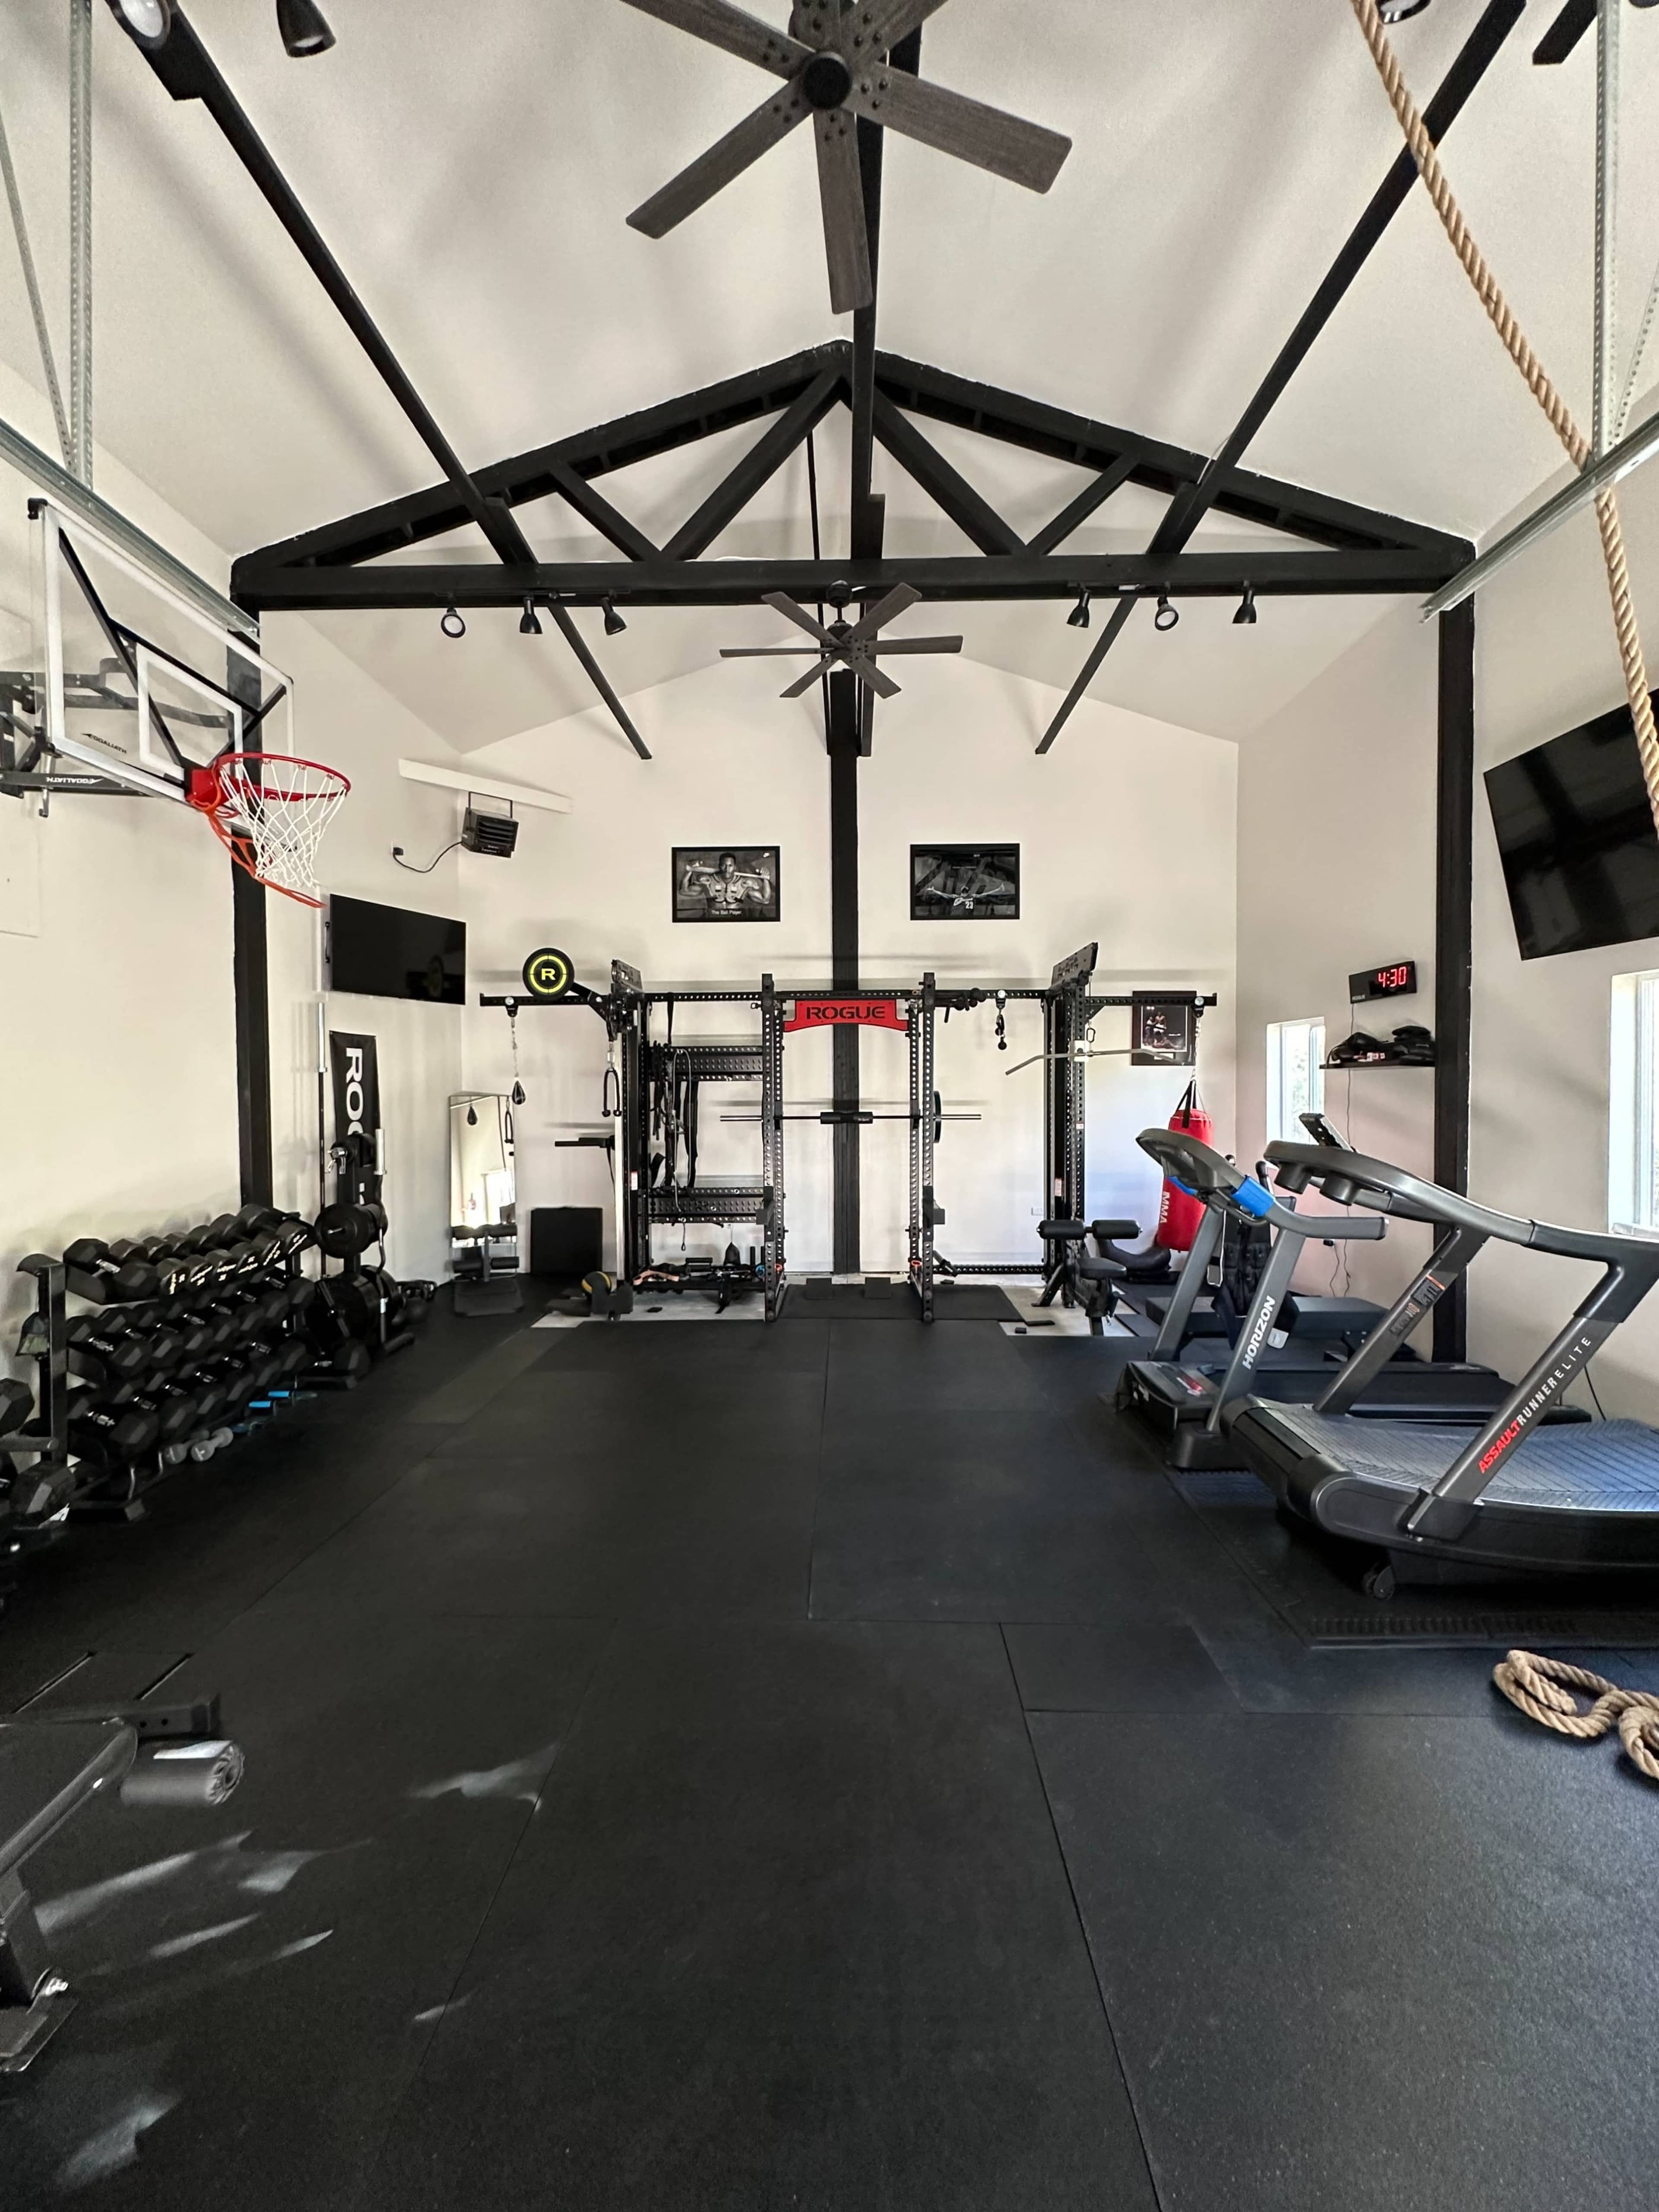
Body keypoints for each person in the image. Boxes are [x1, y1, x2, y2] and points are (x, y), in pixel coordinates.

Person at [683, 851, 771, 917]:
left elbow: (765, 900)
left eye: (730, 866)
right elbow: (685, 891)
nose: (727, 869)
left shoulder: (744, 885)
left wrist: (765, 880)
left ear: (735, 867)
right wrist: (689, 871)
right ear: (719, 866)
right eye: (724, 865)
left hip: (735, 923)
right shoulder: (709, 882)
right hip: (712, 922)